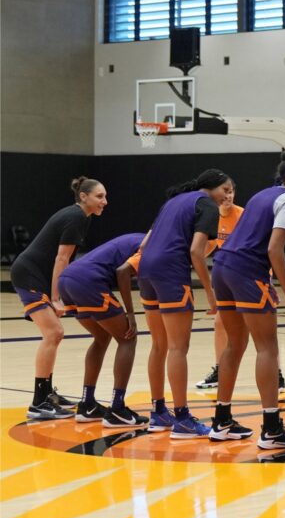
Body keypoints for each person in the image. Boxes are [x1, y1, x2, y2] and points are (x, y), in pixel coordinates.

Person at [209, 148, 285, 449]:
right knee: (267, 347)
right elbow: (273, 250)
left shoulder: (260, 195)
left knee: (234, 344)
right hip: (247, 271)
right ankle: (271, 428)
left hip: (222, 267)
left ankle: (222, 420)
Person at [139, 169, 230, 438]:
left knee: (159, 345)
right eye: (225, 189)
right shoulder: (206, 205)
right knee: (178, 347)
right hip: (170, 272)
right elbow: (195, 251)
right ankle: (182, 418)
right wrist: (211, 293)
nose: (227, 195)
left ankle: (158, 413)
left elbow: (144, 243)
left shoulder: (174, 202)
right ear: (211, 188)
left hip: (146, 270)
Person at [13, 176, 107, 420]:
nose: (104, 202)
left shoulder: (81, 218)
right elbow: (61, 259)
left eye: (105, 197)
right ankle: (38, 402)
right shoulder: (75, 217)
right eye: (99, 196)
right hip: (29, 274)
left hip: (38, 275)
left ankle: (47, 395)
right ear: (83, 197)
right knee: (54, 333)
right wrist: (57, 297)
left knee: (54, 334)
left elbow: (66, 260)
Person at [59, 232, 149, 427]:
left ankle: (87, 404)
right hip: (88, 281)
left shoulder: (137, 237)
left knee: (101, 338)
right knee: (127, 338)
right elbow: (123, 272)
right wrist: (131, 314)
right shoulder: (151, 244)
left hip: (67, 278)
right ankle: (117, 408)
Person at [195, 177, 246, 390]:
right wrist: (193, 260)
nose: (228, 196)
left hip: (245, 273)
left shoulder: (242, 215)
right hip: (226, 277)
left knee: (261, 327)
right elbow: (208, 246)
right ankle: (219, 369)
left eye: (231, 191)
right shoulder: (212, 216)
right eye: (225, 191)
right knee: (219, 324)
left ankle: (278, 374)